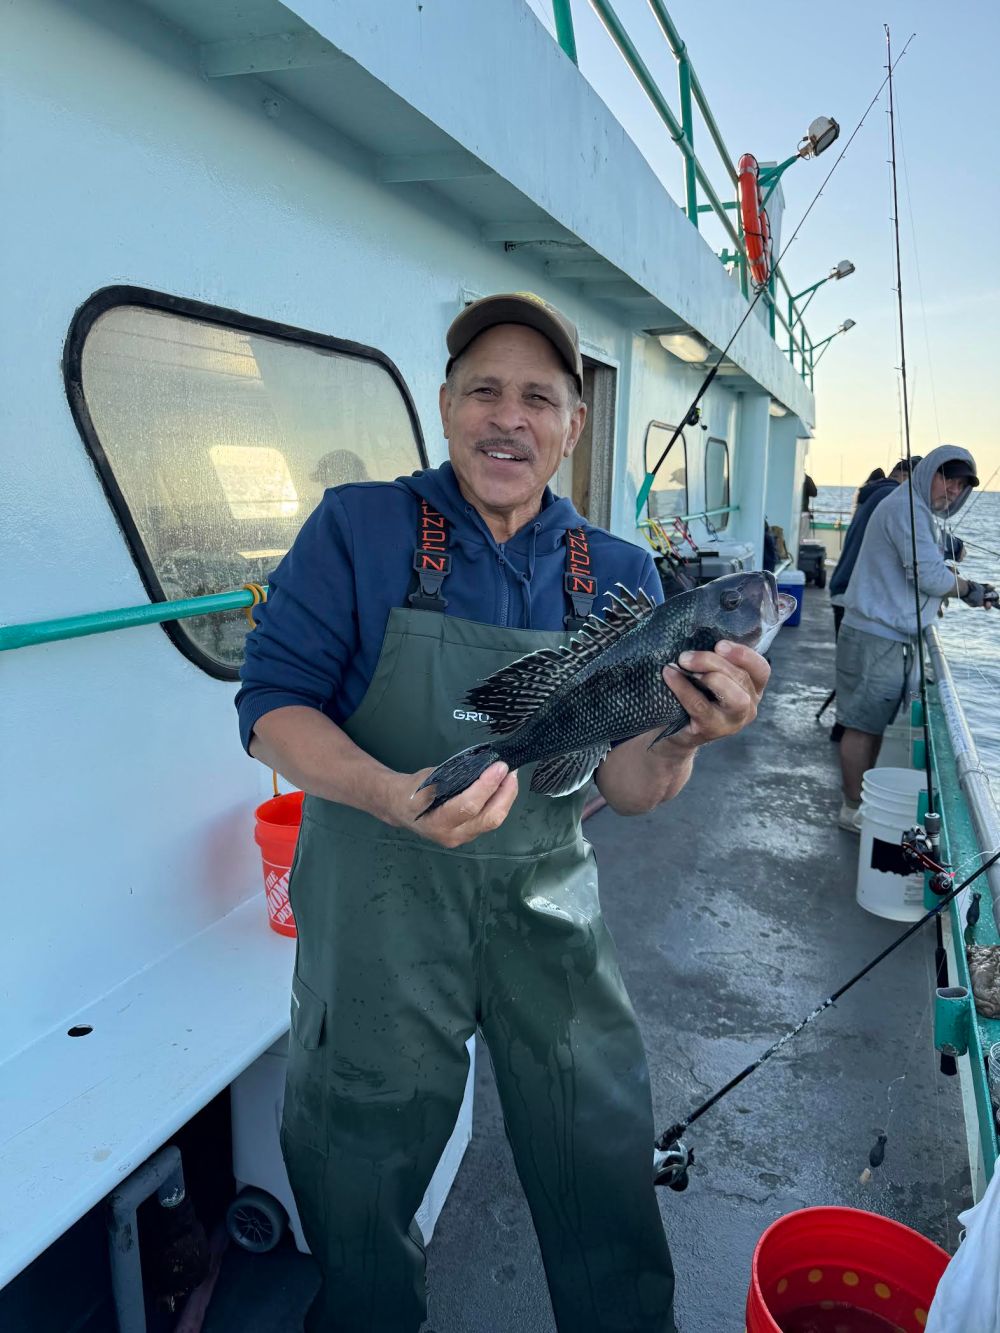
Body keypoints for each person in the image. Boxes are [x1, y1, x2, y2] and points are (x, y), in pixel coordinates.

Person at [236, 292, 771, 1333]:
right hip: (378, 907)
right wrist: (393, 794)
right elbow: (270, 712)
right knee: (359, 1171)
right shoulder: (359, 527)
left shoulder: (620, 575)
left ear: (573, 425)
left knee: (604, 1146)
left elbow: (625, 787)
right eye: (483, 389)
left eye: (538, 397)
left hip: (545, 902)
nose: (507, 417)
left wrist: (688, 735)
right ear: (444, 406)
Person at [834, 446, 996, 832]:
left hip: (891, 638)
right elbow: (930, 577)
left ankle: (861, 805)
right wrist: (973, 589)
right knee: (860, 726)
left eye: (961, 485)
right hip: (876, 638)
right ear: (927, 476)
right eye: (947, 478)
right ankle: (851, 808)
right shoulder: (906, 509)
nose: (953, 491)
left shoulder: (917, 512)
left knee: (872, 726)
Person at [829, 457, 923, 639]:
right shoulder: (892, 496)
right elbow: (912, 537)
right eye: (919, 482)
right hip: (856, 596)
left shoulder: (874, 494)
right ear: (904, 476)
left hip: (845, 589)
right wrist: (954, 547)